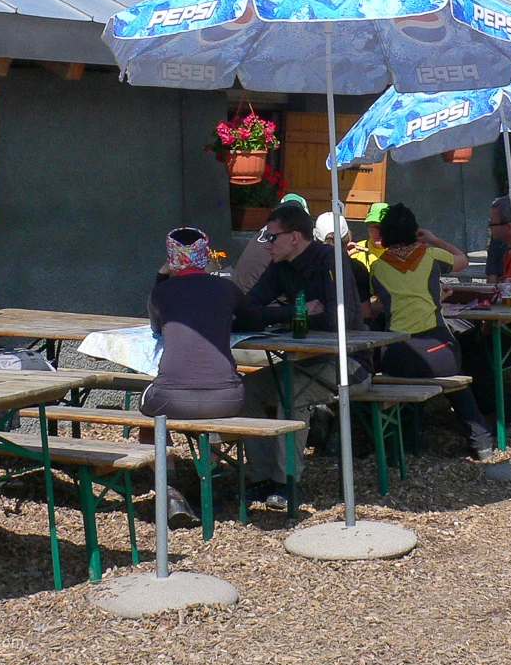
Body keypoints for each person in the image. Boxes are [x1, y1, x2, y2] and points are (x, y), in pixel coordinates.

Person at [238, 203, 368, 508]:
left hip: (350, 364)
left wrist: (284, 317)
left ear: (295, 236)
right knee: (245, 391)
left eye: (272, 237)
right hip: (301, 363)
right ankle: (262, 477)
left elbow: (342, 320)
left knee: (291, 392)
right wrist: (295, 311)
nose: (266, 244)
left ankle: (287, 483)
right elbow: (248, 311)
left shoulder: (330, 261)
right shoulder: (280, 266)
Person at [139, 227, 257, 523]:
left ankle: (171, 488)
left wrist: (161, 275)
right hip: (227, 398)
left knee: (146, 419)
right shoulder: (226, 289)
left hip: (170, 399)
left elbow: (156, 327)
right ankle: (210, 478)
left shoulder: (161, 292)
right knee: (211, 417)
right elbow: (254, 316)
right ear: (206, 256)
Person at [367, 204, 495, 459]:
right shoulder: (430, 254)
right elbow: (463, 259)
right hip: (439, 352)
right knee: (456, 377)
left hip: (398, 356)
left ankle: (407, 443)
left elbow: (383, 304)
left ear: (386, 234)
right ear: (415, 231)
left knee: (402, 376)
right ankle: (481, 441)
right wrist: (435, 239)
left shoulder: (378, 268)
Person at [231, 192, 312, 296]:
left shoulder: (262, 234)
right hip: (256, 307)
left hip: (241, 302)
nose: (268, 246)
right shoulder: (282, 251)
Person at [314, 211, 372, 315]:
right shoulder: (356, 269)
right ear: (349, 237)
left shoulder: (306, 266)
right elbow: (366, 313)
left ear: (315, 239)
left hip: (310, 327)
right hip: (350, 328)